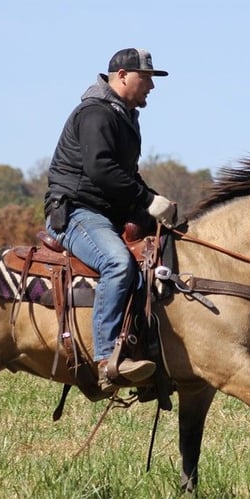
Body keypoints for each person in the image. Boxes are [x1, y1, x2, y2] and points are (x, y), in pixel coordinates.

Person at [44, 48, 178, 389]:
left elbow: (126, 175)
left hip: (104, 214)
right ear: (121, 76)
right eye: (145, 77)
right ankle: (107, 360)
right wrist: (148, 200)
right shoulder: (96, 114)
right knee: (119, 264)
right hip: (76, 213)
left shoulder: (124, 116)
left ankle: (147, 350)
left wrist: (156, 206)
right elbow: (101, 170)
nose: (151, 86)